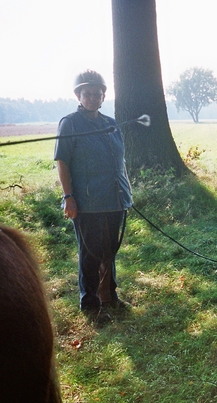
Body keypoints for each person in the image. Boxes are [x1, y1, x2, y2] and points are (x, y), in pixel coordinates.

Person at [54, 70, 132, 325]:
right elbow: (62, 163)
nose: (92, 98)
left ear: (103, 96)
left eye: (97, 94)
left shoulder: (111, 123)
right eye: (87, 94)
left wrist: (126, 192)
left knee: (110, 250)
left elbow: (119, 161)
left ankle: (108, 295)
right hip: (88, 203)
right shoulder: (70, 123)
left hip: (115, 199)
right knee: (90, 253)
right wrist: (68, 197)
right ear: (78, 95)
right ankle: (90, 305)